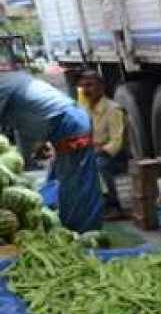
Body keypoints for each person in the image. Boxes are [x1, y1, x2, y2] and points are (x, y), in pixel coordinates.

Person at [0, 70, 103, 231]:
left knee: (76, 184)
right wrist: (40, 141)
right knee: (66, 181)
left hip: (68, 125)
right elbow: (33, 108)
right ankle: (75, 226)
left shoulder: (3, 85)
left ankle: (81, 231)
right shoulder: (11, 78)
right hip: (66, 121)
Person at [78, 69, 128, 217]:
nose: (86, 90)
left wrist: (97, 151)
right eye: (83, 86)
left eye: (90, 85)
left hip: (114, 157)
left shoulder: (113, 109)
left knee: (98, 164)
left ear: (101, 87)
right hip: (93, 152)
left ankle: (113, 205)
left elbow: (117, 142)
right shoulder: (84, 109)